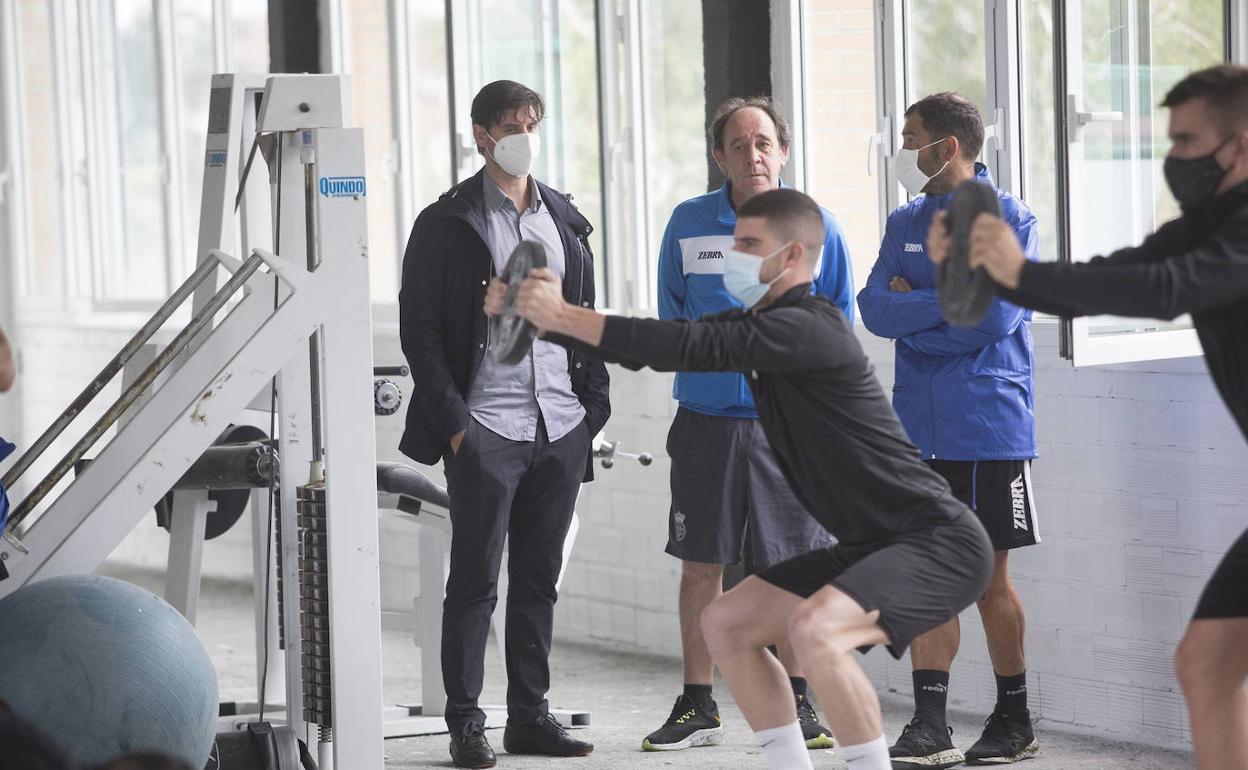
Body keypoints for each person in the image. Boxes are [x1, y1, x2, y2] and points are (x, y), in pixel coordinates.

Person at [492, 187, 993, 770]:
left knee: (815, 631)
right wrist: (538, 320)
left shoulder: (808, 329)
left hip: (935, 541)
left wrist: (562, 314)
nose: (734, 257)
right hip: (869, 547)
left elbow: (685, 341)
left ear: (794, 256)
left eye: (749, 245)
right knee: (725, 622)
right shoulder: (762, 324)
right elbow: (668, 343)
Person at [925, 63, 1248, 770]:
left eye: (1188, 140)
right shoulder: (1207, 224)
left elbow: (1165, 291)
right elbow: (1106, 278)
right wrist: (989, 265)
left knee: (1210, 662)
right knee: (1206, 664)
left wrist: (1014, 269)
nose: (1174, 158)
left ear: (1241, 147)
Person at [399, 79, 611, 769]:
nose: (526, 133)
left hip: (559, 423)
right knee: (474, 582)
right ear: (481, 134)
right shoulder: (447, 221)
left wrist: (591, 409)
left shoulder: (564, 219)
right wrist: (457, 425)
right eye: (514, 124)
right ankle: (465, 722)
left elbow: (585, 314)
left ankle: (529, 717)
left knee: (539, 580)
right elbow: (421, 331)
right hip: (487, 426)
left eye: (534, 121)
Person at [645, 96, 853, 752]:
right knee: (700, 564)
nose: (752, 154)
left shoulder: (816, 224)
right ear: (719, 156)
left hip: (787, 429)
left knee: (792, 565)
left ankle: (798, 699)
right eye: (738, 145)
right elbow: (673, 314)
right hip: (706, 422)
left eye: (763, 143)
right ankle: (697, 703)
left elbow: (838, 317)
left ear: (783, 151)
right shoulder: (687, 223)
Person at [857, 92, 1041, 767]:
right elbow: (874, 309)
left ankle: (1014, 719)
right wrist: (946, 314)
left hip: (989, 429)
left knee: (990, 582)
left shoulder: (1010, 217)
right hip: (919, 433)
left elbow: (995, 321)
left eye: (911, 139)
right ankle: (930, 724)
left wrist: (921, 316)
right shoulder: (906, 218)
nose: (903, 151)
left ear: (947, 147)